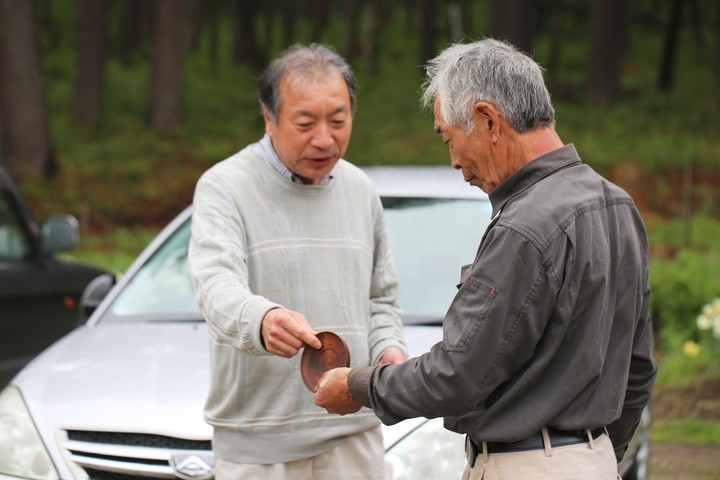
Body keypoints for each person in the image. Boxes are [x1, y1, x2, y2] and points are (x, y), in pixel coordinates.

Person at [314, 38, 657, 480]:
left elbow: (457, 376)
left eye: (448, 137)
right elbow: (639, 368)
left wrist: (358, 386)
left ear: (488, 120)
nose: (454, 160)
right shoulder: (617, 205)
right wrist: (593, 456)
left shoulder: (524, 225)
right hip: (594, 460)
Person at [188, 43, 407, 480]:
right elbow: (215, 287)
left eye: (338, 121)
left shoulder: (360, 190)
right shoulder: (223, 187)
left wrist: (389, 350)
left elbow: (380, 299)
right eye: (305, 123)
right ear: (268, 118)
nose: (324, 139)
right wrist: (261, 318)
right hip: (259, 449)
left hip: (354, 434)